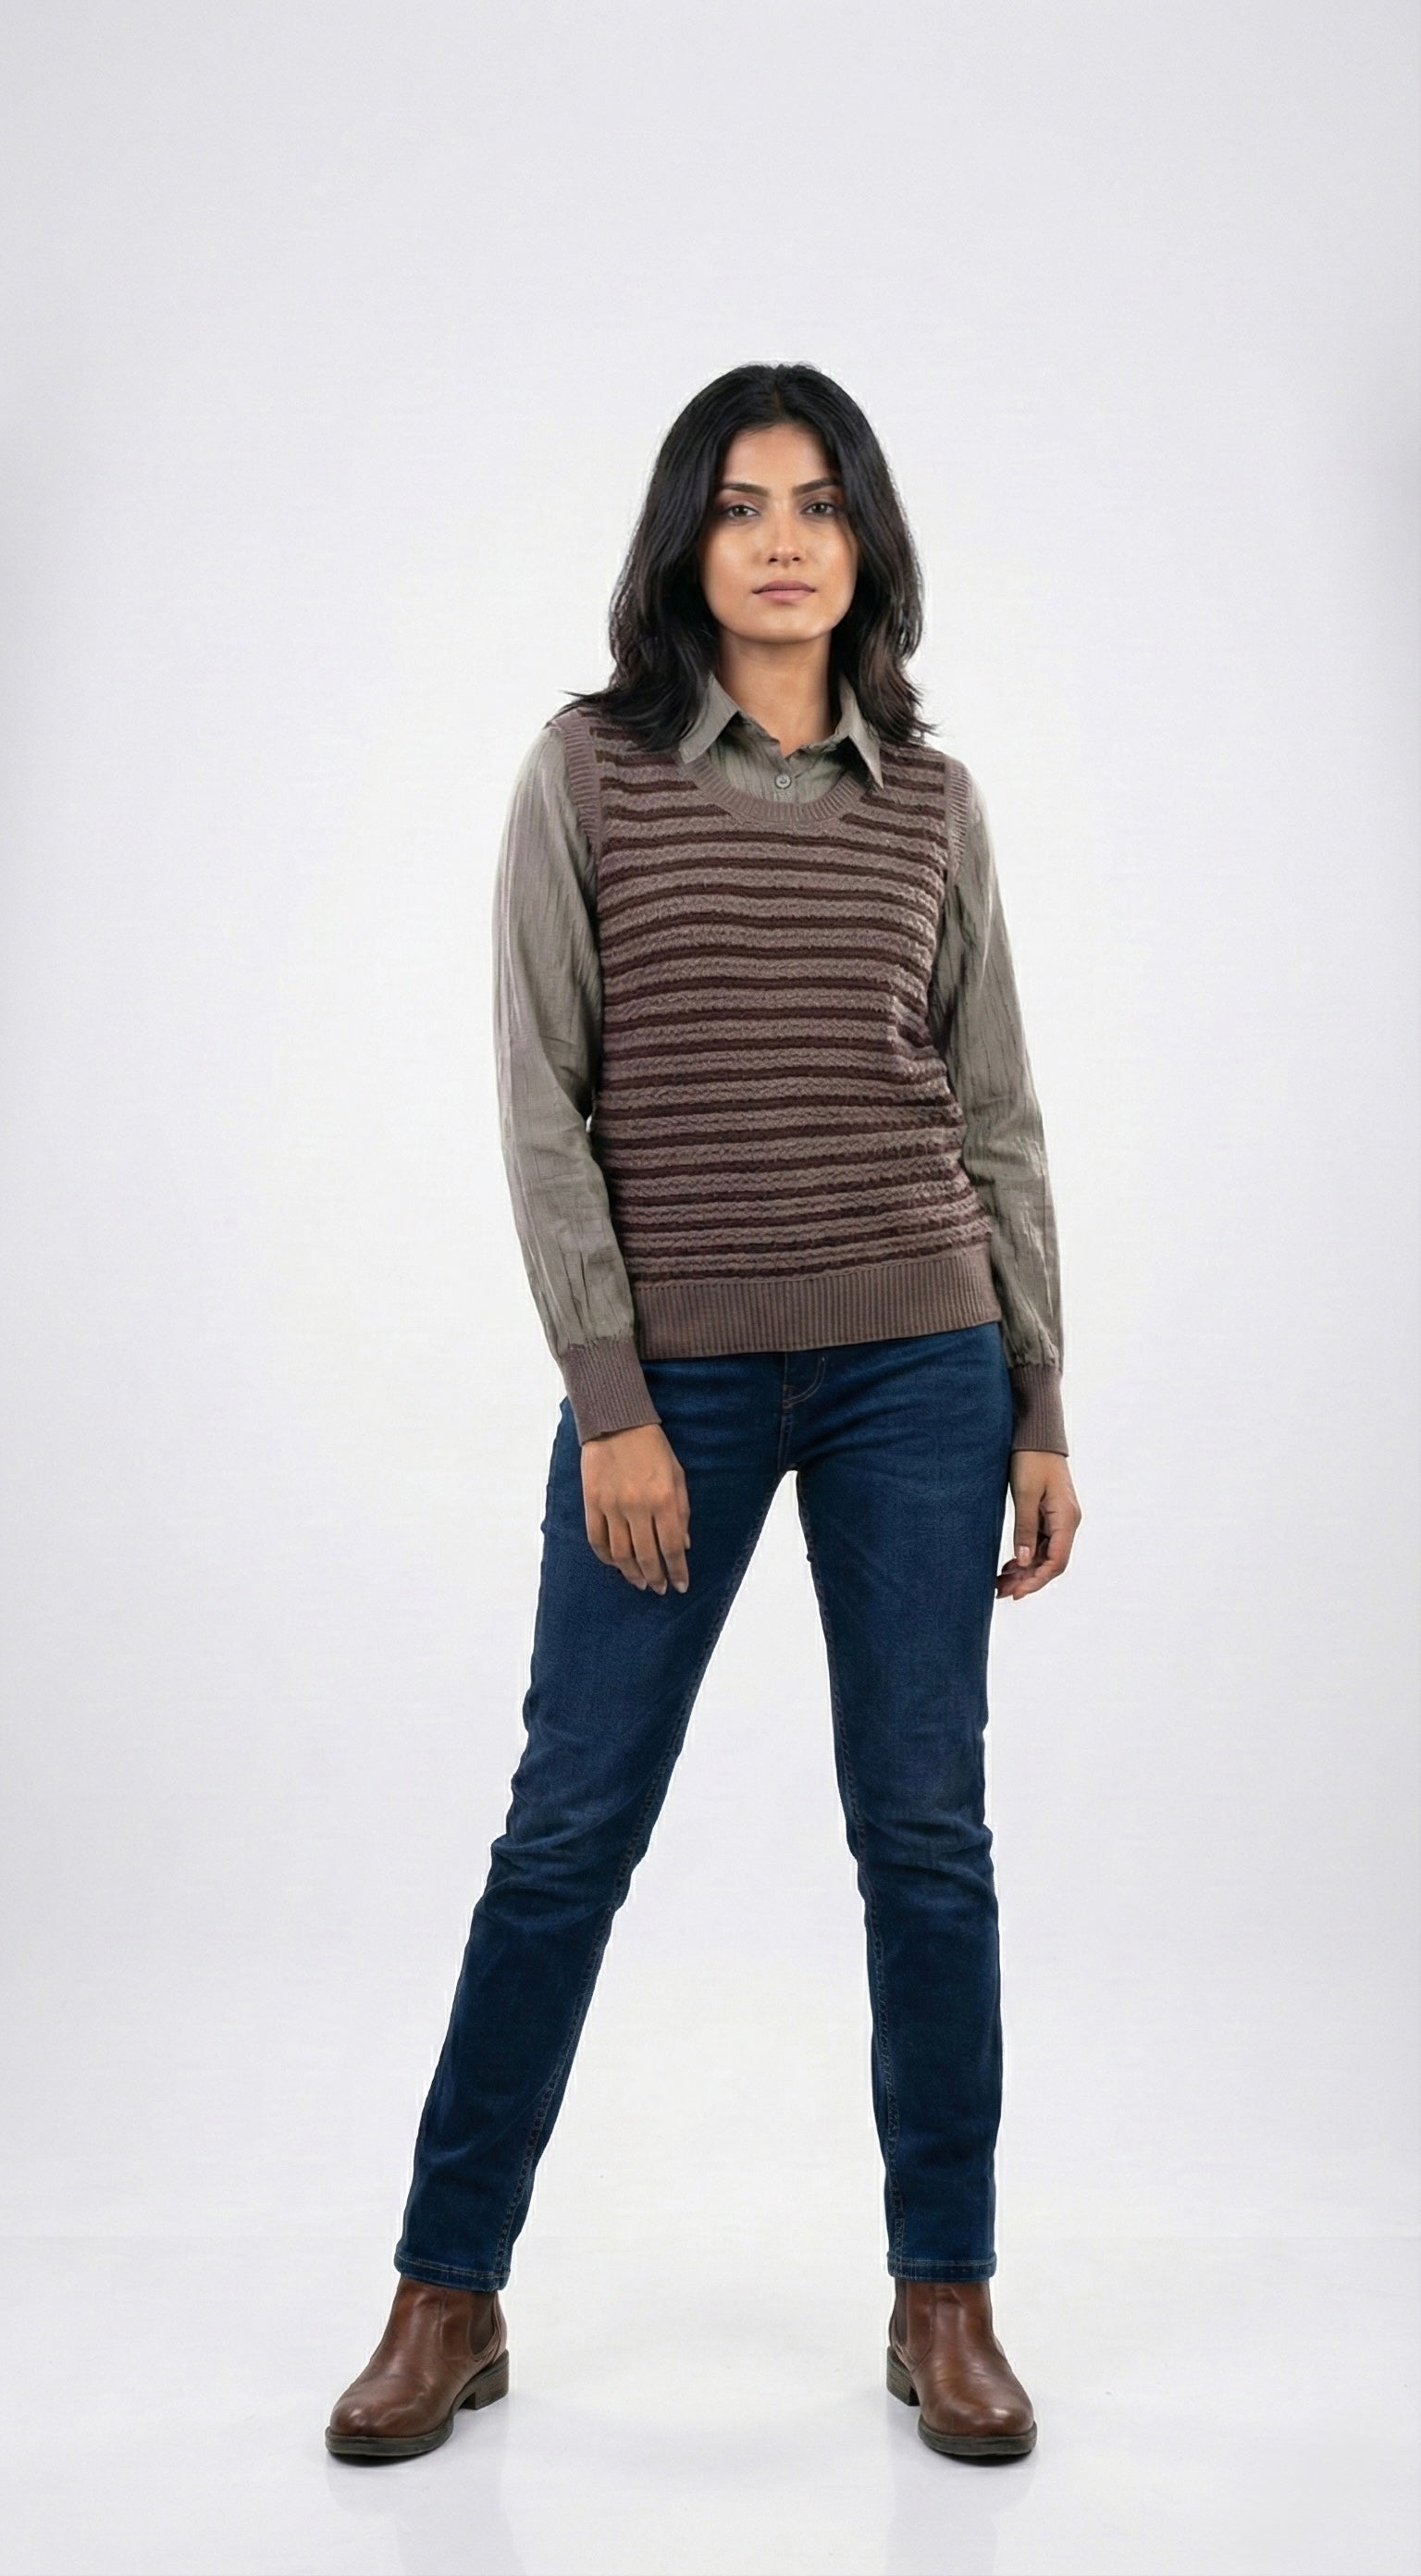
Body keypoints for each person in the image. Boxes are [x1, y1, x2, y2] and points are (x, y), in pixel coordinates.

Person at [326, 361, 1081, 2466]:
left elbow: (998, 1113)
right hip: (670, 1391)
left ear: (866, 544)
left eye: (818, 504)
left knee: (924, 1834)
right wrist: (613, 1404)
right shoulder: (585, 773)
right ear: (683, 541)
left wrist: (1037, 1396)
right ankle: (448, 2289)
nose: (780, 541)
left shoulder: (932, 801)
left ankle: (946, 2294)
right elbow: (543, 1105)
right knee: (569, 1826)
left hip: (923, 1363)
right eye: (740, 504)